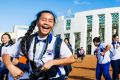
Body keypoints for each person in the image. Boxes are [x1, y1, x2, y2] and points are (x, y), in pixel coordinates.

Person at [2, 10, 75, 80]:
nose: (46, 23)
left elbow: (71, 59)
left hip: (55, 77)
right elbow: (6, 53)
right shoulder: (26, 40)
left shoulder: (58, 42)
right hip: (34, 77)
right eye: (43, 20)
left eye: (50, 21)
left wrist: (52, 62)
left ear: (53, 25)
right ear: (37, 22)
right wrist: (10, 67)